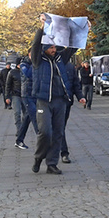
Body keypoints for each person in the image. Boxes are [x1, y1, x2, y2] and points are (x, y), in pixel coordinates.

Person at [30, 14, 86, 175]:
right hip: (44, 101)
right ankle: (39, 157)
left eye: (55, 47)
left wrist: (84, 28)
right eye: (51, 48)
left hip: (60, 101)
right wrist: (41, 28)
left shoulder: (61, 58)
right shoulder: (37, 60)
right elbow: (35, 45)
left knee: (58, 133)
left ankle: (52, 164)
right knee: (45, 132)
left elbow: (74, 45)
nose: (54, 50)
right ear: (44, 49)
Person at [60, 57, 85, 164]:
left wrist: (80, 96)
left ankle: (62, 152)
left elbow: (75, 84)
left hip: (66, 101)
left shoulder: (70, 67)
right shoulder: (48, 64)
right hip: (51, 101)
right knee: (54, 128)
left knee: (60, 127)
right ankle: (61, 152)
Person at [5, 60, 27, 147]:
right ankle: (19, 130)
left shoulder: (26, 71)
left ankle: (22, 129)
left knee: (26, 115)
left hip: (25, 95)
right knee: (17, 113)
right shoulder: (12, 72)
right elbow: (8, 85)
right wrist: (7, 97)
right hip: (16, 95)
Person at [20, 50, 39, 136]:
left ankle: (19, 139)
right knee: (35, 115)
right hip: (27, 94)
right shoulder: (24, 64)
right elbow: (28, 74)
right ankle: (40, 137)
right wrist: (34, 64)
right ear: (30, 55)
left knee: (27, 118)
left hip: (36, 93)